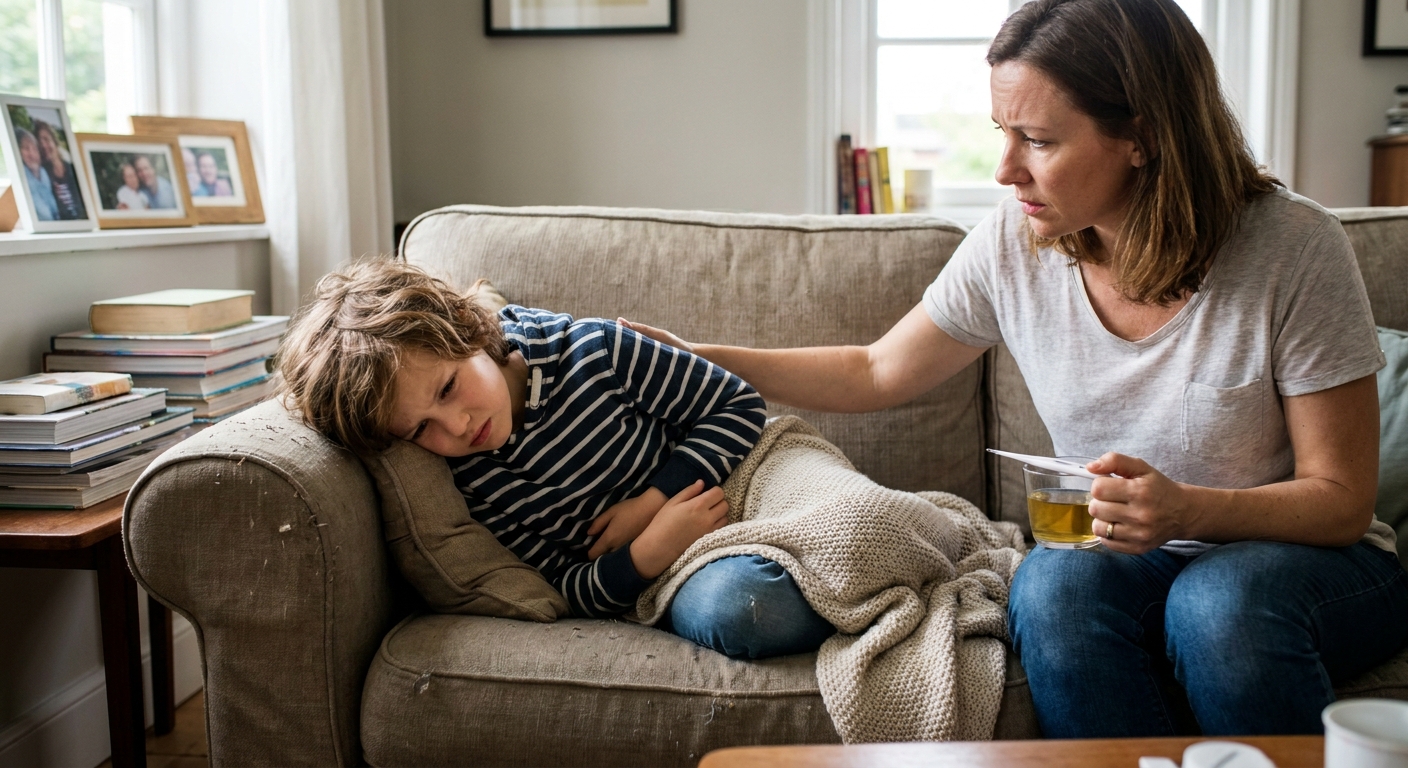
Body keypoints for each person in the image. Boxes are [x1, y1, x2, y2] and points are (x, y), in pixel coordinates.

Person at [622, 0, 1408, 737]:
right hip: (1128, 559)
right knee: (1053, 586)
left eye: (1038, 139)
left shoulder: (1292, 248)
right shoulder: (1016, 242)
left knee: (1216, 604)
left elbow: (1341, 501)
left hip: (1310, 564)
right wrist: (701, 359)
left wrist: (1188, 511)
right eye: (1003, 132)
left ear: (1142, 134)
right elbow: (873, 370)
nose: (1005, 170)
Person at [276, 260, 836, 659]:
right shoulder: (470, 482)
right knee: (744, 610)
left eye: (448, 389)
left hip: (754, 475)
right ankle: (839, 593)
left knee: (847, 523)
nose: (459, 428)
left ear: (469, 330)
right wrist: (645, 554)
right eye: (421, 428)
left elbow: (736, 404)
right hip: (680, 570)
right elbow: (563, 588)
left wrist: (651, 501)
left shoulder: (593, 349)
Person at [34, 120, 86, 220]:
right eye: (40, 142)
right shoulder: (42, 174)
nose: (44, 146)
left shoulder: (73, 169)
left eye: (46, 139)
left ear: (54, 141)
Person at [14, 127, 59, 221]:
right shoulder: (21, 175)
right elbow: (45, 214)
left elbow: (53, 208)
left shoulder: (43, 173)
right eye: (26, 148)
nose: (32, 154)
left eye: (35, 149)